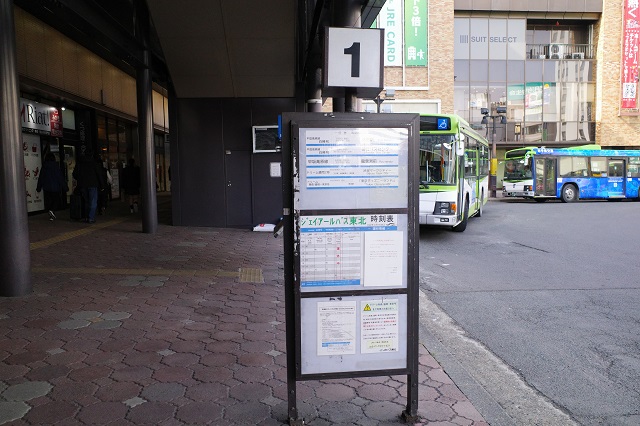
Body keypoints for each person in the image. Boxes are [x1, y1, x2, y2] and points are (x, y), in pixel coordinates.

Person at [72, 153, 105, 224]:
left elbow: (74, 174)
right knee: (93, 202)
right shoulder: (94, 163)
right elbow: (99, 175)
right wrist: (102, 185)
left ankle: (86, 217)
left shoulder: (80, 163)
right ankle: (91, 218)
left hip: (83, 185)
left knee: (86, 201)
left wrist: (80, 179)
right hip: (93, 184)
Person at [36, 152, 68, 221]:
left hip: (46, 187)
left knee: (49, 201)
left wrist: (38, 188)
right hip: (55, 187)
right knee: (56, 200)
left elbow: (41, 178)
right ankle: (52, 211)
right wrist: (65, 187)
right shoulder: (56, 167)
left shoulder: (44, 167)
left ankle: (51, 215)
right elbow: (60, 178)